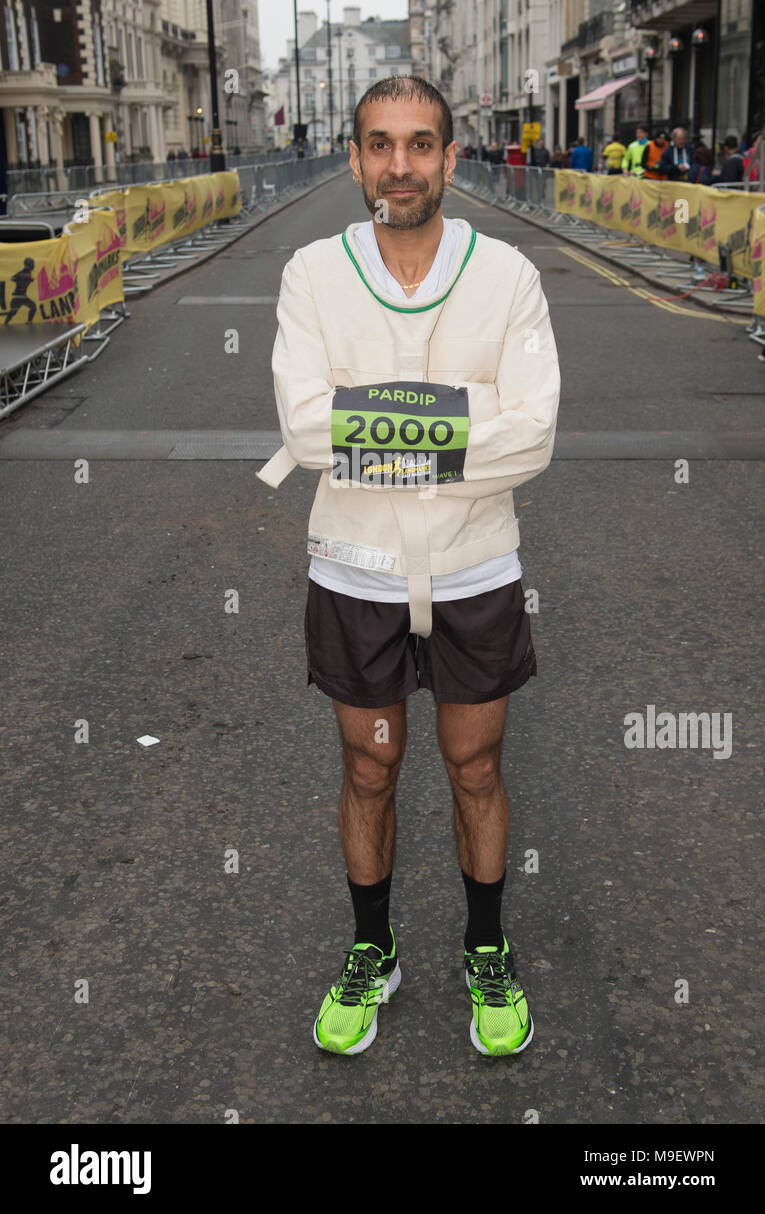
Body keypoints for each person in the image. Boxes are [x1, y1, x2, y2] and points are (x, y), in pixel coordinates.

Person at [257, 74, 560, 1058]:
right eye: (380, 144)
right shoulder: (312, 273)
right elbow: (304, 429)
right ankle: (372, 946)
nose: (400, 164)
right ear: (354, 159)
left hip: (474, 571)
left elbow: (537, 436)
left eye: (421, 144)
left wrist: (371, 425)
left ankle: (486, 946)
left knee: (475, 764)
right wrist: (461, 419)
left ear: (450, 159)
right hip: (357, 570)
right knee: (368, 763)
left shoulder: (507, 274)